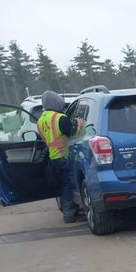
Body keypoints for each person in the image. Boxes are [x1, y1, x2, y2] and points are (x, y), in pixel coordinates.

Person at [37, 91, 84, 222]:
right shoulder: (60, 118)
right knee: (69, 185)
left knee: (63, 186)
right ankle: (69, 215)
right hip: (65, 155)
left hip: (53, 157)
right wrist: (80, 124)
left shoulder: (41, 120)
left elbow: (44, 139)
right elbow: (74, 135)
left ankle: (68, 211)